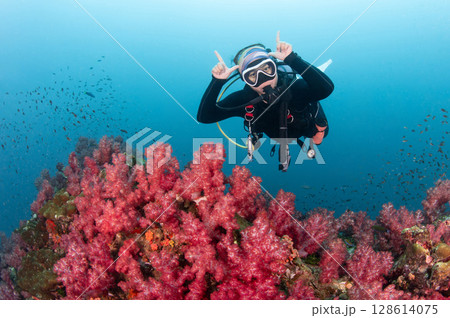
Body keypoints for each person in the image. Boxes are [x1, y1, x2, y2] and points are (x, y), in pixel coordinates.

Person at [197, 32, 334, 171]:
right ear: (245, 80)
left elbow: (326, 89)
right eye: (252, 75)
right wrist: (217, 82)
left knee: (319, 135)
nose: (263, 79)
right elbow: (205, 116)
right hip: (279, 135)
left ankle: (319, 128)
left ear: (274, 67)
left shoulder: (295, 89)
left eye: (266, 69)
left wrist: (293, 59)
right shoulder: (244, 100)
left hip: (306, 126)